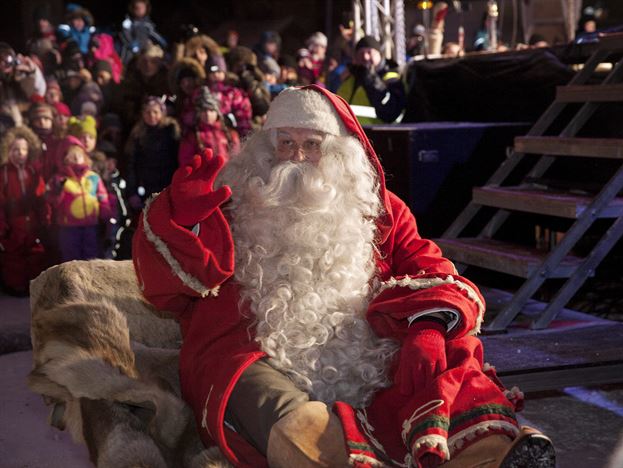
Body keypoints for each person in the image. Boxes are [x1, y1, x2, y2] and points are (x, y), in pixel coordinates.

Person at [132, 86, 555, 467]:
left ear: (338, 152)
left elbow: (433, 268)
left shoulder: (380, 211)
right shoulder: (232, 202)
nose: (297, 156)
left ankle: (494, 451)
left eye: (311, 144)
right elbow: (166, 290)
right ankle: (330, 454)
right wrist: (179, 225)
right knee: (268, 403)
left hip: (368, 354)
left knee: (450, 353)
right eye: (286, 143)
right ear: (266, 147)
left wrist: (426, 325)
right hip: (256, 349)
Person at [0, 126, 49, 295]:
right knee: (13, 254)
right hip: (13, 221)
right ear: (8, 150)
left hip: (32, 219)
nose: (20, 153)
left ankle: (33, 283)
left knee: (35, 252)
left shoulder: (33, 171)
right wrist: (2, 225)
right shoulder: (4, 173)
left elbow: (42, 197)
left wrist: (45, 217)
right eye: (15, 149)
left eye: (23, 149)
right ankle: (15, 285)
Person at [47, 136, 111, 262]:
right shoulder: (59, 179)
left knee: (91, 256)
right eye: (72, 155)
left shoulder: (93, 177)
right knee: (71, 258)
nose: (76, 158)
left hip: (90, 225)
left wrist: (106, 212)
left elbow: (102, 196)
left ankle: (90, 280)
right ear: (64, 158)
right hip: (69, 227)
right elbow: (51, 200)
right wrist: (58, 191)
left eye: (79, 155)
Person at [337, 36, 406, 125]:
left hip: (381, 134)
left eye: (369, 52)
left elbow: (391, 111)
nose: (365, 57)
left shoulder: (392, 77)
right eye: (361, 54)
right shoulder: (350, 79)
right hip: (353, 134)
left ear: (379, 55)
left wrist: (371, 81)